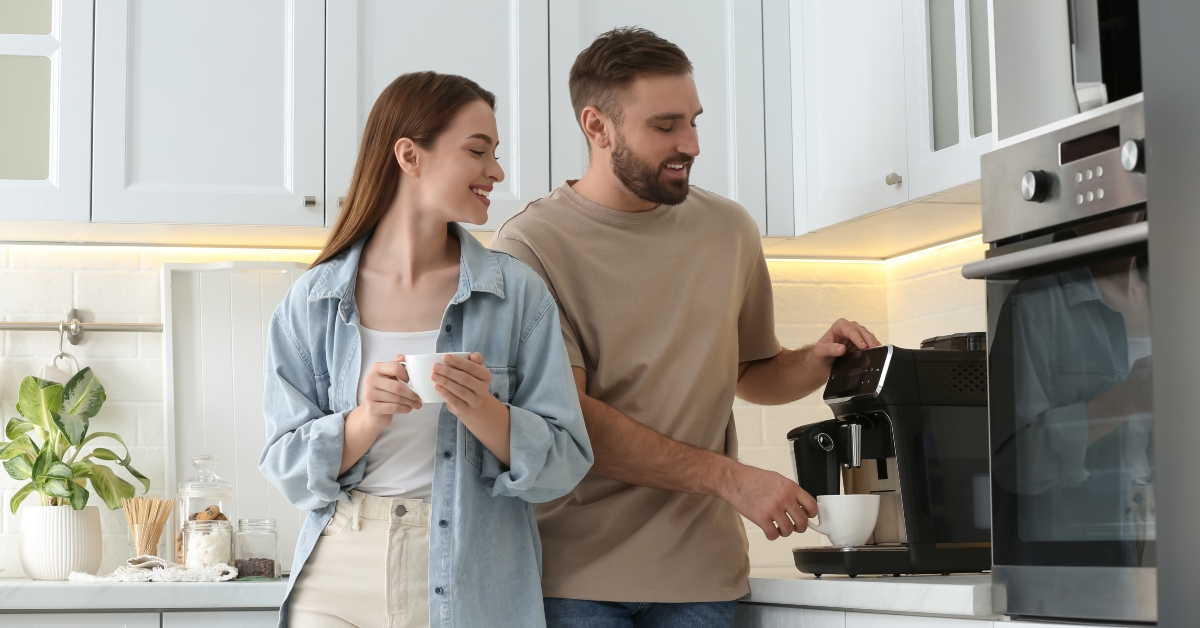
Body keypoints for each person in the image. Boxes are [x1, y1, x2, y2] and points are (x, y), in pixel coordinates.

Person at [491, 28, 881, 628]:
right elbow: (567, 418)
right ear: (597, 127)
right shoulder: (531, 246)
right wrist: (732, 479)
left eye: (695, 121)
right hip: (572, 581)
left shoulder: (728, 229)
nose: (691, 144)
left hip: (704, 577)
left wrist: (815, 359)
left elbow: (750, 371)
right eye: (665, 125)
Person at [260, 72, 593, 628]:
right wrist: (366, 419)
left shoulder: (516, 295)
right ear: (410, 156)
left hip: (474, 578)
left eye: (495, 152)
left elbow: (565, 463)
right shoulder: (314, 300)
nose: (497, 171)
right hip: (339, 572)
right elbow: (286, 466)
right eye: (477, 150)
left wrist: (485, 411)